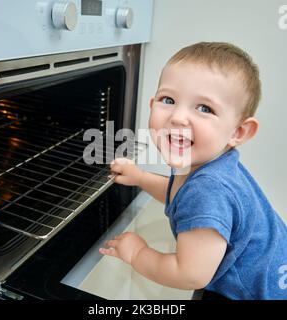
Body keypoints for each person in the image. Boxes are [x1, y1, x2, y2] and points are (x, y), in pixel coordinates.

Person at [99, 42, 287, 299]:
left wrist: (137, 254)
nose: (178, 117)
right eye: (168, 100)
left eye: (204, 108)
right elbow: (179, 194)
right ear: (152, 104)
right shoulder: (206, 165)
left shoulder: (209, 190)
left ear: (238, 132)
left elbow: (191, 274)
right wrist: (141, 178)